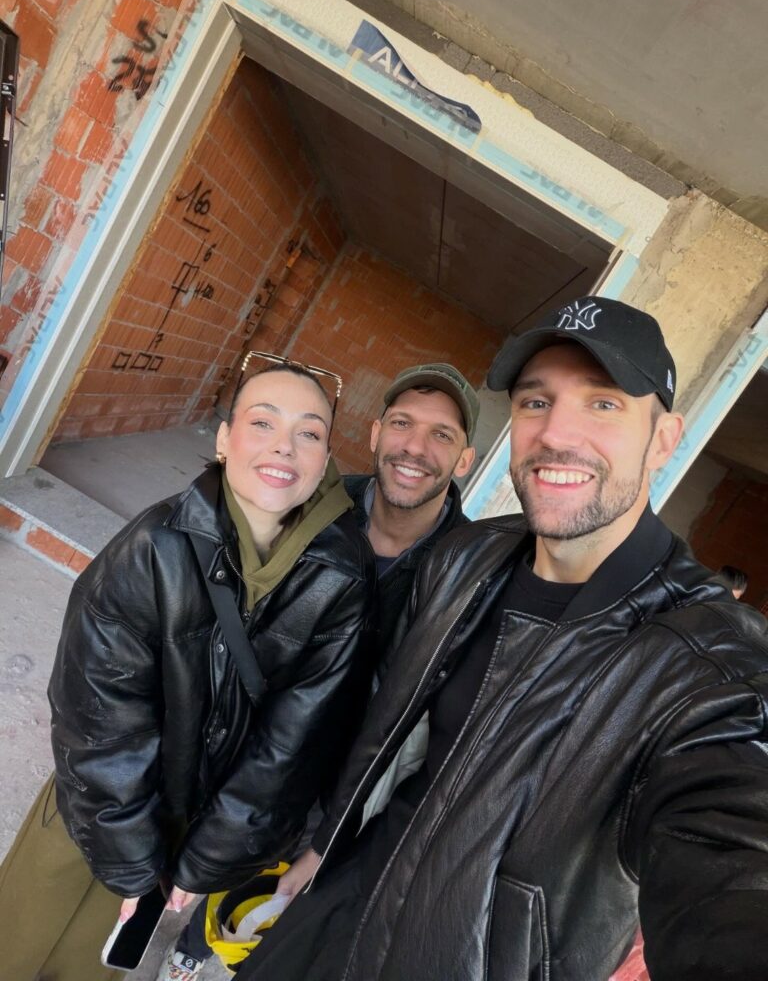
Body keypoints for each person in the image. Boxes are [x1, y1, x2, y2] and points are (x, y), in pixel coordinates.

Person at [237, 298, 768, 981]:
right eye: (536, 402)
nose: (557, 433)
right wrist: (325, 844)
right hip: (337, 908)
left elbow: (731, 853)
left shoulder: (708, 660)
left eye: (603, 404)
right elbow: (392, 738)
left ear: (664, 439)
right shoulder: (464, 558)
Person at [0, 352, 376, 981]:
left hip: (193, 834)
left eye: (309, 433)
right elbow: (98, 715)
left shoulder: (342, 577)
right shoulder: (154, 545)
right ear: (225, 440)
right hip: (96, 812)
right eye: (262, 422)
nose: (284, 447)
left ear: (325, 458)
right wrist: (131, 860)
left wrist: (209, 858)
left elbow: (293, 742)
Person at [344, 362, 478, 668]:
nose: (415, 448)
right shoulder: (315, 505)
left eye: (442, 435)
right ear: (375, 434)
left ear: (464, 461)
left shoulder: (471, 569)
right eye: (402, 423)